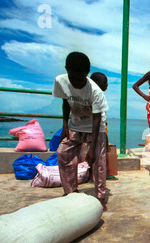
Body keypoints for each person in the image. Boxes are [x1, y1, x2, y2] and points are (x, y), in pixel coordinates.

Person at [53, 52, 109, 212]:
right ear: (67, 70)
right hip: (74, 126)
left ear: (87, 73)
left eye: (80, 79)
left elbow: (98, 117)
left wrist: (92, 149)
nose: (76, 82)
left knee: (98, 162)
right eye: (73, 78)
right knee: (63, 153)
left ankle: (100, 197)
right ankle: (71, 191)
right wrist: (65, 126)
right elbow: (65, 102)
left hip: (95, 129)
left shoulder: (95, 91)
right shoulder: (60, 81)